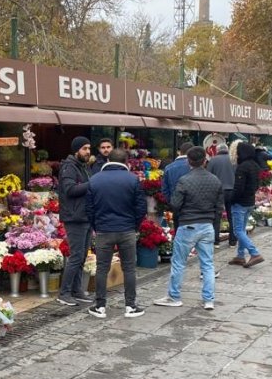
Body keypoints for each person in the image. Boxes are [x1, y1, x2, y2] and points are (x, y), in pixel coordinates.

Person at [154, 147, 224, 311]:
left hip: (188, 224)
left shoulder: (184, 180)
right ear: (205, 161)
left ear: (188, 161)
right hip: (207, 225)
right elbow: (219, 207)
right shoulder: (215, 180)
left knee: (178, 263)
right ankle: (208, 300)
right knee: (207, 264)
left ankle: (174, 296)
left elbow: (175, 204)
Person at [86, 148, 147, 319]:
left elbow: (89, 208)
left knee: (102, 269)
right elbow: (141, 208)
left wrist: (96, 225)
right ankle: (130, 306)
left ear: (108, 160)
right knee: (129, 268)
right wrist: (134, 225)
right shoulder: (133, 180)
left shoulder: (95, 179)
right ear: (126, 161)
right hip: (127, 229)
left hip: (104, 229)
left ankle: (100, 306)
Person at [56, 136, 94, 306]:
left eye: (89, 149)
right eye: (85, 149)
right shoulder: (69, 167)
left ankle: (77, 290)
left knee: (82, 256)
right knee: (76, 256)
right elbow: (70, 189)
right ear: (76, 150)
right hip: (74, 217)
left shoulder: (83, 167)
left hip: (85, 217)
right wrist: (93, 184)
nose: (88, 152)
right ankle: (64, 293)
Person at [228, 142, 264, 268]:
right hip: (249, 201)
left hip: (240, 203)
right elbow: (257, 184)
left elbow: (238, 188)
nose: (236, 154)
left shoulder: (242, 167)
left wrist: (231, 200)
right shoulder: (255, 165)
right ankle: (240, 256)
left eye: (238, 152)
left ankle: (254, 253)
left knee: (238, 231)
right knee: (242, 230)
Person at [207, 143, 236, 247]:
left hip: (218, 191)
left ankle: (216, 241)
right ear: (227, 150)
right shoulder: (233, 160)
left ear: (217, 150)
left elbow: (208, 176)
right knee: (231, 216)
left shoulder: (213, 160)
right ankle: (233, 241)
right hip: (232, 190)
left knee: (216, 216)